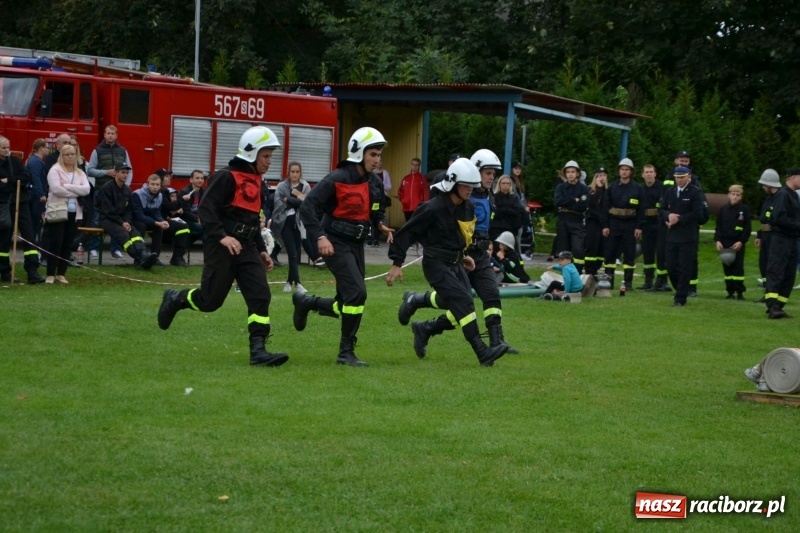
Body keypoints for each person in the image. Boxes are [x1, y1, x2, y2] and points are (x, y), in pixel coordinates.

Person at [157, 126, 289, 367]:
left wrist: (261, 249)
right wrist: (222, 237)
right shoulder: (225, 177)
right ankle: (176, 299)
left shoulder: (258, 182)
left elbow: (252, 218)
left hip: (247, 247)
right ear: (251, 152)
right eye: (266, 155)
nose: (270, 162)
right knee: (210, 301)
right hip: (221, 247)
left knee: (260, 295)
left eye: (271, 156)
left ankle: (258, 350)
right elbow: (206, 210)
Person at [386, 158, 508, 365]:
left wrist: (464, 255)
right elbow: (406, 234)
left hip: (456, 262)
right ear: (453, 183)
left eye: (472, 186)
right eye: (466, 186)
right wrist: (397, 263)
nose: (470, 190)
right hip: (435, 264)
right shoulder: (431, 208)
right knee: (463, 301)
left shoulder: (468, 207)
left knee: (458, 301)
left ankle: (420, 317)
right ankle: (482, 352)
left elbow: (461, 235)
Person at [292, 127, 394, 366]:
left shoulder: (374, 183)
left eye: (379, 155)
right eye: (373, 154)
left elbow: (376, 210)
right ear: (358, 152)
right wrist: (320, 237)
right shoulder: (337, 178)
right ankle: (345, 352)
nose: (377, 160)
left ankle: (307, 302)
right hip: (335, 243)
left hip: (356, 245)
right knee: (358, 293)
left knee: (346, 302)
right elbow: (308, 207)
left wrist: (381, 225)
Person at [0, 136, 46, 284]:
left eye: (8, 147)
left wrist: (9, 181)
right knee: (5, 238)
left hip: (22, 202)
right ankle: (4, 272)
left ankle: (32, 271)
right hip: (4, 204)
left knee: (29, 236)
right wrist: (12, 183)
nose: (7, 150)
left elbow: (26, 177)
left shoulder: (15, 161)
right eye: (3, 148)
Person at [96, 163, 158, 269]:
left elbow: (128, 210)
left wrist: (128, 222)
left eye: (127, 173)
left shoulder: (127, 190)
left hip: (123, 220)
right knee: (123, 235)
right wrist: (122, 223)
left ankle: (143, 254)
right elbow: (108, 211)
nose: (125, 175)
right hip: (107, 219)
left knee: (135, 233)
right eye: (122, 172)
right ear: (115, 173)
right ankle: (140, 259)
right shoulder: (107, 188)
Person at [43, 143, 90, 283]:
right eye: (66, 154)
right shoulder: (55, 170)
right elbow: (56, 189)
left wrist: (69, 187)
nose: (70, 157)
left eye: (72, 154)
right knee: (56, 242)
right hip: (57, 210)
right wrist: (77, 191)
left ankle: (61, 273)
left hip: (74, 212)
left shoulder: (80, 172)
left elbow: (86, 189)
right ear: (61, 156)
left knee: (68, 243)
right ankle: (50, 273)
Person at [658, 166, 705, 307]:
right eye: (677, 177)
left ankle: (680, 298)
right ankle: (681, 289)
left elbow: (698, 214)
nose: (679, 180)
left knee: (685, 267)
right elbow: (662, 209)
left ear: (688, 177)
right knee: (670, 266)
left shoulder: (695, 193)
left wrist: (680, 219)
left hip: (687, 236)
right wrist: (668, 216)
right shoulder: (670, 192)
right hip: (672, 235)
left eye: (682, 177)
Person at [87, 125, 133, 260]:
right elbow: (90, 170)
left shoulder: (123, 151)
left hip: (118, 193)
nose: (110, 135)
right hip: (101, 190)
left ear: (117, 135)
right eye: (108, 133)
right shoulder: (97, 151)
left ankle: (116, 249)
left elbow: (130, 170)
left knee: (118, 220)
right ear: (104, 135)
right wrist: (106, 172)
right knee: (96, 220)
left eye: (113, 133)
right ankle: (94, 248)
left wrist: (126, 187)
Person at [763, 168, 800, 319]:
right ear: (792, 177)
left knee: (789, 274)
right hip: (781, 239)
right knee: (777, 270)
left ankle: (780, 305)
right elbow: (779, 218)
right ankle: (772, 305)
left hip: (792, 240)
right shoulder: (783, 195)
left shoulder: (794, 196)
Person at [602, 158, 644, 290]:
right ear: (619, 171)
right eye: (622, 169)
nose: (624, 172)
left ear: (631, 172)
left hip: (630, 224)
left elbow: (641, 209)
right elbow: (605, 208)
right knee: (610, 253)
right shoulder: (612, 187)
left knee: (629, 254)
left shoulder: (637, 188)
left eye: (627, 169)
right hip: (614, 223)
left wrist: (638, 227)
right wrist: (605, 226)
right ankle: (608, 282)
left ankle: (628, 283)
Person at [131, 173, 190, 267]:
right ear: (147, 184)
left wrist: (162, 221)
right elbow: (139, 215)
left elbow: (156, 212)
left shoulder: (160, 196)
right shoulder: (137, 194)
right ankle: (139, 258)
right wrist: (157, 222)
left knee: (177, 227)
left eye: (157, 185)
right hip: (137, 220)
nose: (155, 187)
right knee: (141, 226)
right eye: (152, 184)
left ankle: (159, 258)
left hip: (151, 220)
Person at [272, 161, 310, 293]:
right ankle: (298, 284)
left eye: (297, 172)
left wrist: (288, 200)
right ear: (288, 172)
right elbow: (278, 202)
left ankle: (288, 283)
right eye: (292, 172)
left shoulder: (305, 186)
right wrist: (296, 201)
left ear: (300, 173)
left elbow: (306, 204)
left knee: (296, 254)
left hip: (299, 223)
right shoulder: (282, 186)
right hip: (285, 222)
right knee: (292, 254)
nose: (294, 174)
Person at [714, 184, 751, 299]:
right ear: (729, 195)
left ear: (741, 197)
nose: (735, 197)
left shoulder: (744, 210)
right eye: (733, 194)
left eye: (737, 195)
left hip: (737, 244)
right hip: (725, 242)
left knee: (738, 268)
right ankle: (730, 291)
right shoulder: (723, 209)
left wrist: (741, 241)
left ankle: (739, 292)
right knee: (727, 267)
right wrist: (718, 240)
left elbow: (747, 228)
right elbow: (718, 227)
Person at [554, 160, 589, 273]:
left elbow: (583, 205)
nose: (570, 174)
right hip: (563, 219)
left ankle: (577, 273)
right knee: (564, 250)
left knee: (578, 249)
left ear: (577, 173)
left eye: (573, 171)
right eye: (568, 172)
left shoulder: (583, 188)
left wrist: (567, 201)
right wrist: (574, 199)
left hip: (577, 220)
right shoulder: (560, 187)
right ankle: (565, 274)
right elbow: (558, 201)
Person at [754, 169, 781, 302]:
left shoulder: (780, 198)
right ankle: (767, 292)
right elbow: (764, 219)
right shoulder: (769, 199)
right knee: (763, 264)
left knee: (772, 266)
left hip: (774, 236)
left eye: (764, 185)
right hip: (765, 235)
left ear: (770, 185)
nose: (763, 187)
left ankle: (773, 294)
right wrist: (759, 235)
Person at [639, 164, 664, 290]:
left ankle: (662, 281)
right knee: (647, 253)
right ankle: (648, 280)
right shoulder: (640, 189)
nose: (649, 174)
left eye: (651, 172)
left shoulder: (662, 188)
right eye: (646, 172)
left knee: (661, 253)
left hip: (659, 224)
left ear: (655, 174)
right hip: (646, 225)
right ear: (642, 175)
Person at [584, 168, 607, 276]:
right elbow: (592, 203)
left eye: (604, 175)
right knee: (592, 247)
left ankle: (596, 269)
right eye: (599, 175)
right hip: (592, 222)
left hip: (604, 223)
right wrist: (598, 188)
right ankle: (589, 271)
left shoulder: (608, 190)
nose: (602, 177)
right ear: (596, 177)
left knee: (601, 249)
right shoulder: (590, 189)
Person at [25, 139, 49, 245]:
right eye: (47, 147)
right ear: (41, 149)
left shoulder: (34, 160)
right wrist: (41, 195)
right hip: (35, 197)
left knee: (35, 222)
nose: (49, 150)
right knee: (34, 222)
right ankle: (31, 244)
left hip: (35, 195)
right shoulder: (36, 162)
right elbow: (36, 179)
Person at [489, 174, 526, 243]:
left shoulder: (514, 197)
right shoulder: (494, 197)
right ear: (499, 184)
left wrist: (504, 210)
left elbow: (518, 211)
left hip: (511, 228)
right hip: (496, 228)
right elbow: (494, 212)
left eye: (508, 183)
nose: (506, 185)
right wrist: (509, 210)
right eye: (503, 183)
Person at [367, 156, 392, 246]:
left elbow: (389, 186)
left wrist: (380, 186)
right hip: (371, 199)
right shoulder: (370, 173)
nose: (379, 162)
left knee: (376, 216)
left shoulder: (384, 173)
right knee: (369, 218)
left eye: (381, 161)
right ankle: (370, 238)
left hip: (379, 200)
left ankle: (376, 238)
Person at [510, 161, 532, 258]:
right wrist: (523, 207)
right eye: (516, 168)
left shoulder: (520, 181)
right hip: (516, 211)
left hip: (521, 210)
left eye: (519, 169)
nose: (518, 170)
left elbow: (522, 197)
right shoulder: (511, 181)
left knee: (520, 232)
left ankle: (518, 252)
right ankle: (517, 253)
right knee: (516, 233)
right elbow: (515, 197)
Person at [397, 157, 428, 223]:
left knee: (415, 226)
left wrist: (422, 204)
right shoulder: (406, 178)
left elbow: (425, 193)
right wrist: (403, 200)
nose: (414, 166)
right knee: (408, 225)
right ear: (411, 165)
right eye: (413, 164)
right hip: (406, 207)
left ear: (419, 166)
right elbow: (400, 191)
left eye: (416, 165)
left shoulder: (422, 179)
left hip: (417, 208)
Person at [180, 169, 206, 244]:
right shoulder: (185, 192)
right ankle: (186, 243)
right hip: (187, 218)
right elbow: (186, 212)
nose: (200, 180)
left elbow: (205, 208)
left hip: (199, 218)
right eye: (197, 178)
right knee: (201, 228)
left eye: (202, 178)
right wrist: (197, 219)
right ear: (191, 180)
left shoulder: (204, 192)